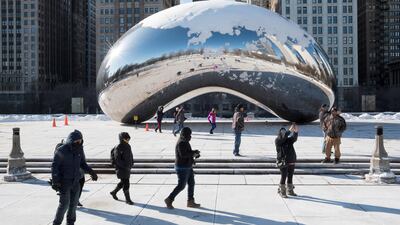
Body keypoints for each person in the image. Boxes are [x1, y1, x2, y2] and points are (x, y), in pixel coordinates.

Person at [51, 130, 98, 225]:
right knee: (64, 205)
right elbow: (55, 166)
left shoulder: (79, 149)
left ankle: (70, 223)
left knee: (73, 205)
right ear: (71, 140)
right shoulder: (61, 150)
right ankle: (56, 223)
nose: (79, 142)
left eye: (80, 140)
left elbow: (83, 164)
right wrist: (55, 181)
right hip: (65, 182)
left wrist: (92, 172)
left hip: (76, 181)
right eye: (77, 141)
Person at [165, 127, 201, 209]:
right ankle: (169, 199)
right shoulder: (181, 142)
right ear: (186, 134)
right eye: (189, 134)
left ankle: (190, 201)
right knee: (181, 186)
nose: (190, 136)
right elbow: (183, 155)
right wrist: (193, 154)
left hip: (188, 166)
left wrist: (194, 152)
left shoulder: (185, 141)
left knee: (191, 183)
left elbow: (187, 152)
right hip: (182, 167)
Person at [110, 132, 134, 205]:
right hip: (121, 168)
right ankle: (128, 199)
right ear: (122, 139)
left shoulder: (128, 146)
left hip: (127, 167)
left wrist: (132, 163)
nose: (128, 140)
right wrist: (125, 166)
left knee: (123, 182)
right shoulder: (118, 147)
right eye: (126, 139)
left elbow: (130, 155)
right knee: (126, 183)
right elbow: (118, 160)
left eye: (128, 139)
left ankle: (114, 192)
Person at [275, 123, 299, 198]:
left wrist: (295, 132)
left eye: (284, 132)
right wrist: (289, 130)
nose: (283, 133)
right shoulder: (278, 140)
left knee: (290, 176)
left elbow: (294, 138)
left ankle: (290, 190)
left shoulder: (288, 140)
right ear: (279, 133)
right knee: (284, 176)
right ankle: (282, 191)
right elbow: (283, 139)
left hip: (291, 159)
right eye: (282, 132)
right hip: (283, 161)